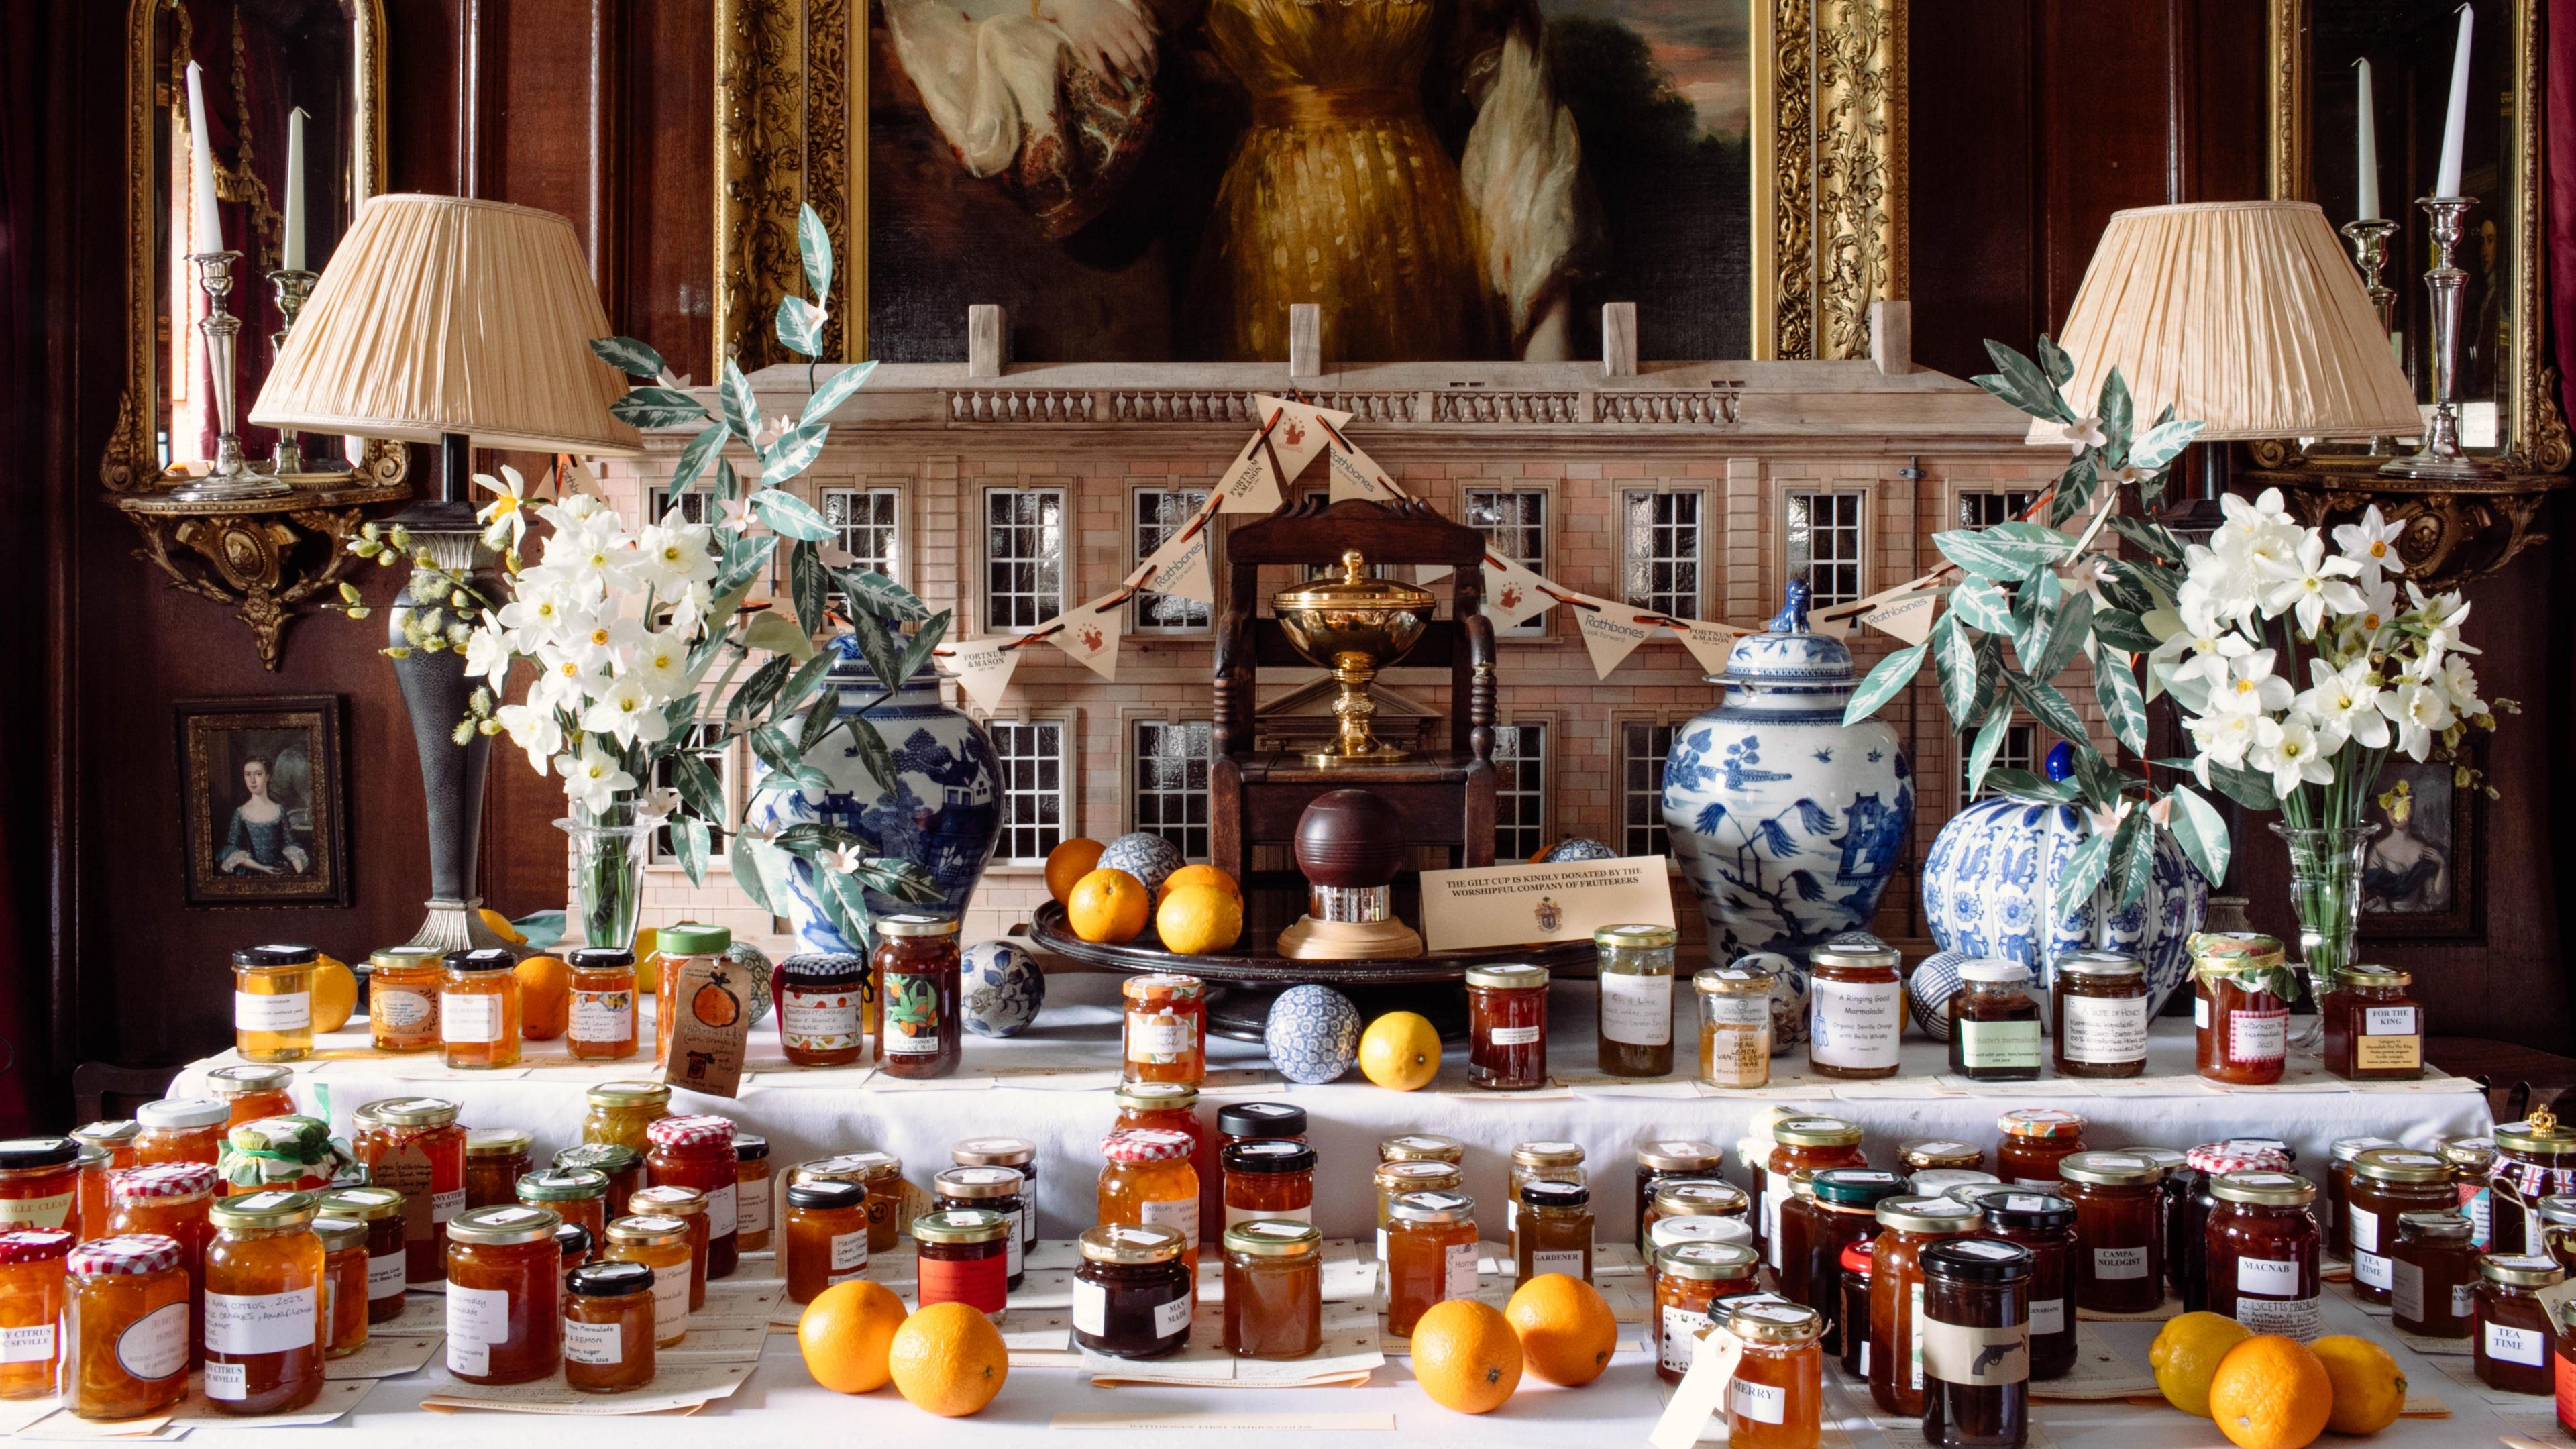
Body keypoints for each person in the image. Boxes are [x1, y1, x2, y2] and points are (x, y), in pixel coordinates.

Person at [877, 0, 1589, 362]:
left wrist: (1546, 314)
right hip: (1266, 241)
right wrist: (1064, 3)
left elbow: (1520, 109)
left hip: (1421, 243)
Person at [219, 756, 311, 876]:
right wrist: (263, 868)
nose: (252, 780)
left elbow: (290, 843)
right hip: (253, 871)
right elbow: (233, 849)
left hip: (280, 869)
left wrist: (301, 874)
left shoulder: (279, 810)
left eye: (258, 774)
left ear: (268, 777)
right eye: (247, 774)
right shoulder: (241, 812)